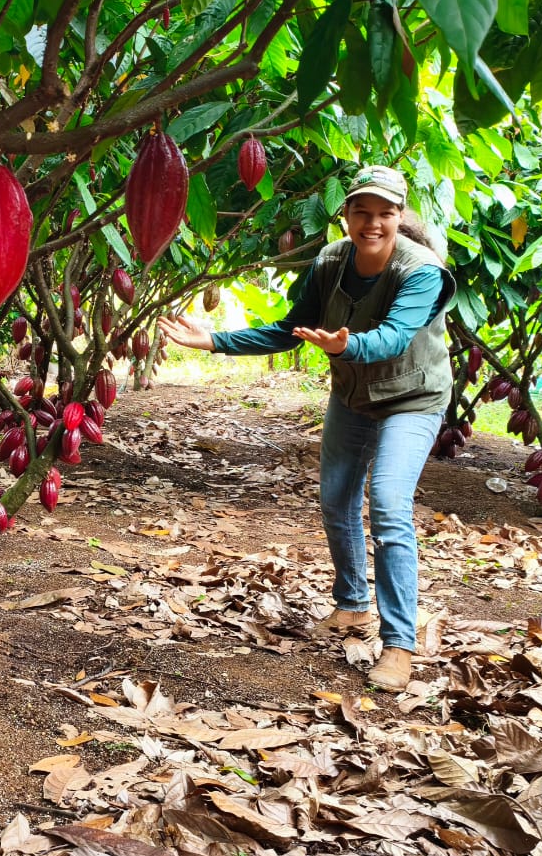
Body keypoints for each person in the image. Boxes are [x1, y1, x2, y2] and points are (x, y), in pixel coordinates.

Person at [160, 165, 454, 692]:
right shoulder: (331, 262)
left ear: (399, 217)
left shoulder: (422, 271)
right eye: (361, 212)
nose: (372, 223)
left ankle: (400, 645)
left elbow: (391, 338)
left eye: (385, 213)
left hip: (413, 398)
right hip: (353, 394)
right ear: (344, 216)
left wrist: (347, 346)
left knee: (387, 504)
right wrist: (216, 341)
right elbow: (291, 330)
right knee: (336, 498)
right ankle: (352, 606)